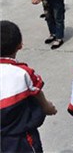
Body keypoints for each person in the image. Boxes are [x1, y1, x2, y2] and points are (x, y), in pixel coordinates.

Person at [0, 20, 57, 153]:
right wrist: (48, 107)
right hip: (20, 138)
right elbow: (37, 91)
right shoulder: (24, 72)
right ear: (20, 45)